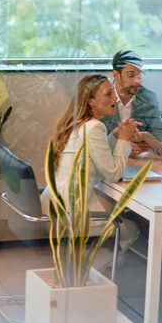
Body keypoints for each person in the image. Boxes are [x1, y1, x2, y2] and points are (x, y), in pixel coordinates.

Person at [42, 74, 141, 253]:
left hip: (55, 201)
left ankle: (102, 263)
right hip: (72, 211)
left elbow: (94, 154)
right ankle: (93, 270)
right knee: (131, 229)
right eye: (108, 94)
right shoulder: (94, 127)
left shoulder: (80, 124)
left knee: (117, 208)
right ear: (91, 101)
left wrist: (116, 135)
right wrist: (125, 140)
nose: (115, 98)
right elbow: (113, 173)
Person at [103, 50, 162, 159]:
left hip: (137, 164)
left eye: (139, 74)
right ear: (116, 74)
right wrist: (122, 148)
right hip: (107, 162)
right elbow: (93, 142)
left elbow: (159, 133)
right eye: (131, 75)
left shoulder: (149, 97)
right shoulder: (102, 97)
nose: (138, 81)